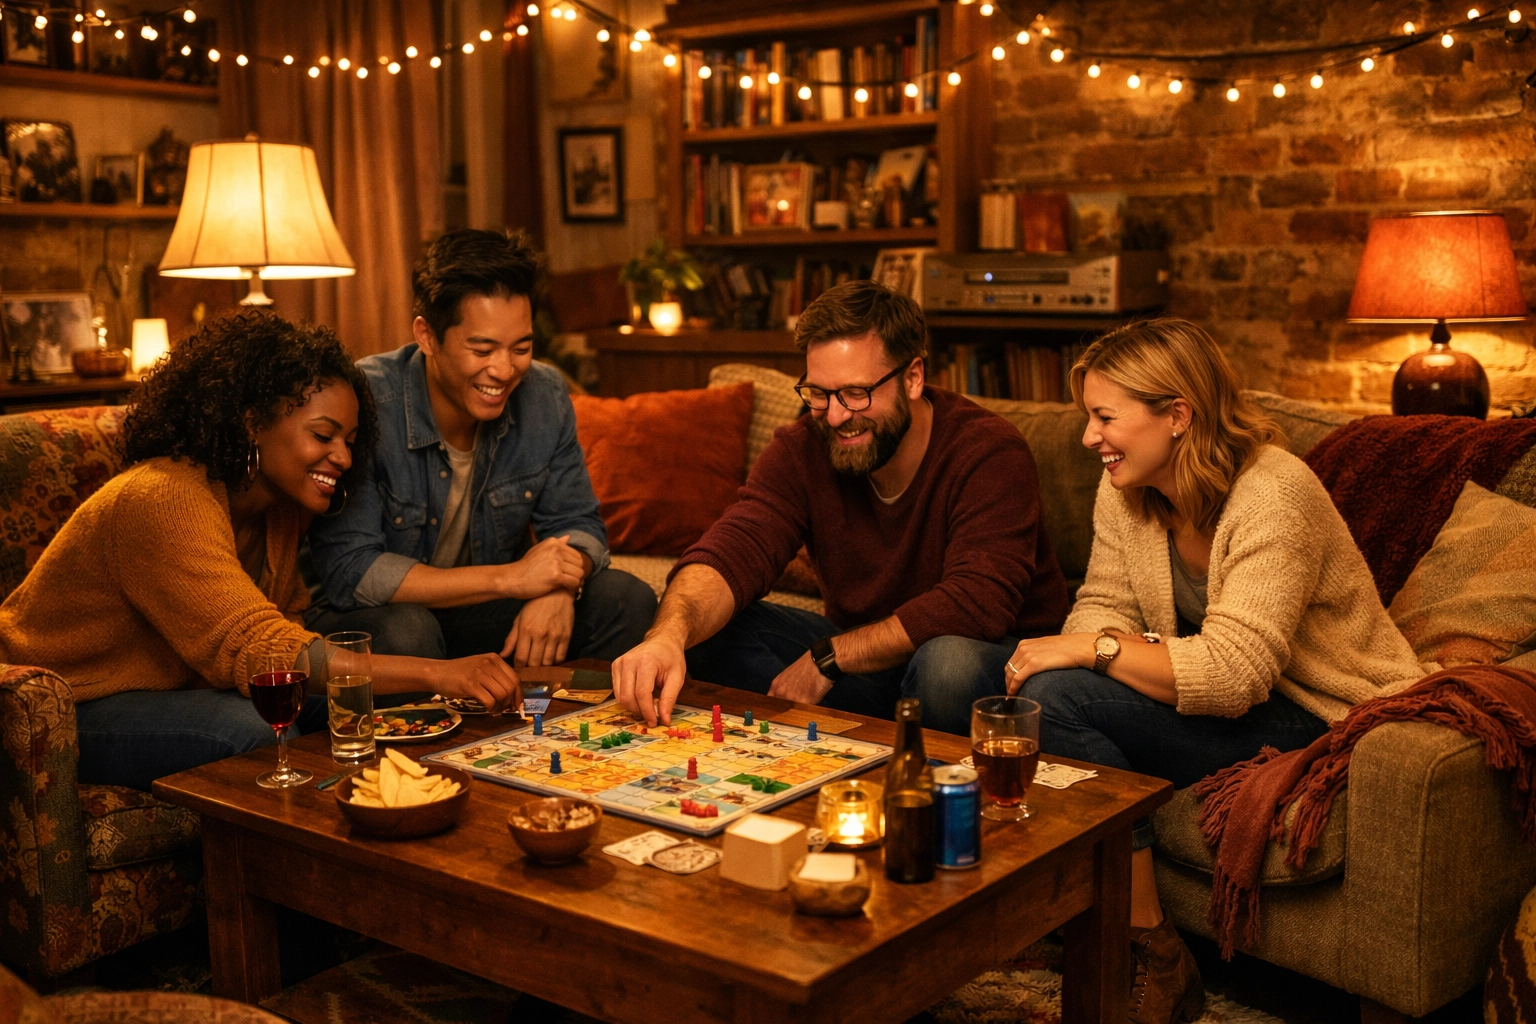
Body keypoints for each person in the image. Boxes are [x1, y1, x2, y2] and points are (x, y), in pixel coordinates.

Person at [939, 318, 1428, 1024]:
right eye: (1088, 418)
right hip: (1193, 682)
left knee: (1054, 694)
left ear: (1177, 416)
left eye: (1105, 418)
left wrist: (1092, 653)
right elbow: (1102, 603)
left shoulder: (1273, 494)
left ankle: (1151, 945)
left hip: (1310, 710)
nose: (1088, 439)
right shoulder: (1129, 487)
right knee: (957, 671)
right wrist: (1091, 648)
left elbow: (1236, 674)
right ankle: (1042, 906)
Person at [0, 311, 522, 792]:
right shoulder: (162, 496)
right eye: (323, 434)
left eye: (351, 439)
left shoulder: (280, 509)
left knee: (367, 705)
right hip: (61, 706)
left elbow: (287, 625)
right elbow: (264, 650)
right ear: (252, 423)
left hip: (178, 687)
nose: (342, 456)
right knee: (250, 731)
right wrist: (439, 671)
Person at [611, 279, 1070, 727]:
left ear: (912, 377)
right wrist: (667, 636)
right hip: (866, 667)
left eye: (855, 393)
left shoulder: (988, 450)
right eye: (818, 393)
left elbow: (976, 604)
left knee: (945, 664)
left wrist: (830, 657)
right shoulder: (803, 447)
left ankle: (917, 778)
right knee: (702, 629)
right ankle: (839, 748)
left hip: (984, 666)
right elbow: (737, 544)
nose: (835, 416)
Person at [307, 229, 655, 667]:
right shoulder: (369, 400)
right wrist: (513, 579)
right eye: (483, 349)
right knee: (409, 631)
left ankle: (555, 729)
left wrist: (560, 587)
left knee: (626, 598)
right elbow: (352, 572)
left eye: (522, 347)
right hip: (372, 622)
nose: (505, 370)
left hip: (476, 614)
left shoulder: (543, 395)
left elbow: (579, 525)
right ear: (427, 336)